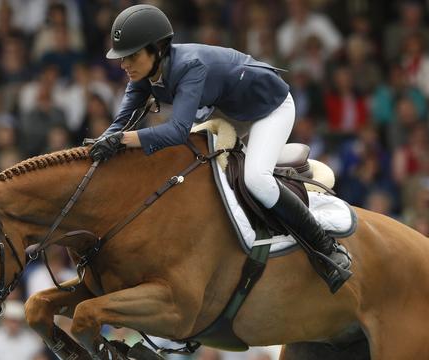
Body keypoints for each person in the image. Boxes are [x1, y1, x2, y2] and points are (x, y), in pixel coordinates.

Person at [88, 4, 351, 291]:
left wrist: (124, 141)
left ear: (158, 48)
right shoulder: (145, 75)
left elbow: (176, 131)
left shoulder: (189, 65)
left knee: (256, 181)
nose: (124, 63)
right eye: (122, 57)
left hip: (268, 108)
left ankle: (327, 248)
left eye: (132, 55)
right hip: (228, 111)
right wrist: (102, 143)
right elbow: (121, 123)